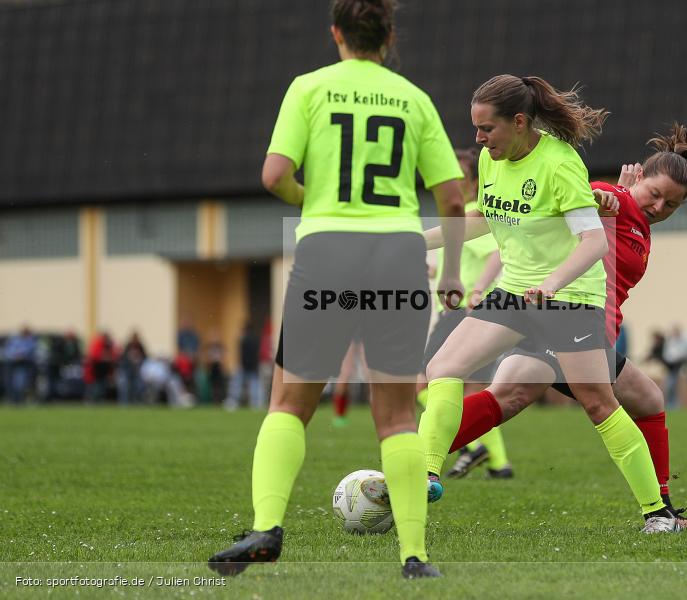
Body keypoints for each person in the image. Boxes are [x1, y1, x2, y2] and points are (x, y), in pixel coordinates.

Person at [208, 0, 465, 580]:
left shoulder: (309, 88)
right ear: (389, 36)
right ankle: (414, 557)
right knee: (398, 416)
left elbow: (274, 175)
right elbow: (451, 199)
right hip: (398, 257)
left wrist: (314, 202)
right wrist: (450, 272)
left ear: (336, 35)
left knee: (289, 404)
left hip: (326, 254)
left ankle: (266, 528)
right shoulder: (414, 98)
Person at [371, 74, 687, 534]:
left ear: (519, 122)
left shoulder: (559, 164)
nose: (479, 139)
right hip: (517, 292)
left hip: (571, 299)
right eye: (476, 129)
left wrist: (554, 284)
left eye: (487, 129)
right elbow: (484, 216)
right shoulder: (491, 158)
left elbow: (593, 243)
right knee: (443, 368)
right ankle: (427, 472)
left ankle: (658, 516)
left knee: (599, 403)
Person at [417, 147, 510, 480]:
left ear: (472, 181)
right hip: (466, 310)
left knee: (422, 383)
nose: (452, 181)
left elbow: (496, 252)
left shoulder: (471, 213)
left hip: (462, 311)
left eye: (459, 175)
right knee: (471, 390)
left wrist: (476, 289)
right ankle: (498, 463)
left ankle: (472, 446)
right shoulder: (463, 214)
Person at [224, 323, 263, 410]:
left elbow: (241, 354)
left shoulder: (243, 339)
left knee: (236, 385)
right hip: (254, 366)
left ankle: (233, 402)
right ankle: (256, 404)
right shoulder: (256, 339)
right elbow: (257, 354)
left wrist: (240, 364)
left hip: (244, 366)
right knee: (254, 387)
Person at [3, 326, 37, 404]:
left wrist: (22, 355)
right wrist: (15, 355)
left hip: (24, 364)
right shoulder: (14, 340)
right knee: (11, 382)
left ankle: (21, 399)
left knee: (22, 382)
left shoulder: (30, 340)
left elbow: (30, 350)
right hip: (13, 364)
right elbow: (8, 351)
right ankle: (12, 399)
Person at [117, 331, 147, 405]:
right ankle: (124, 404)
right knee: (125, 387)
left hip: (136, 371)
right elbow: (124, 359)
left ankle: (134, 402)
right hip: (127, 371)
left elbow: (145, 358)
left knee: (137, 387)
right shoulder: (128, 346)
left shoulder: (140, 346)